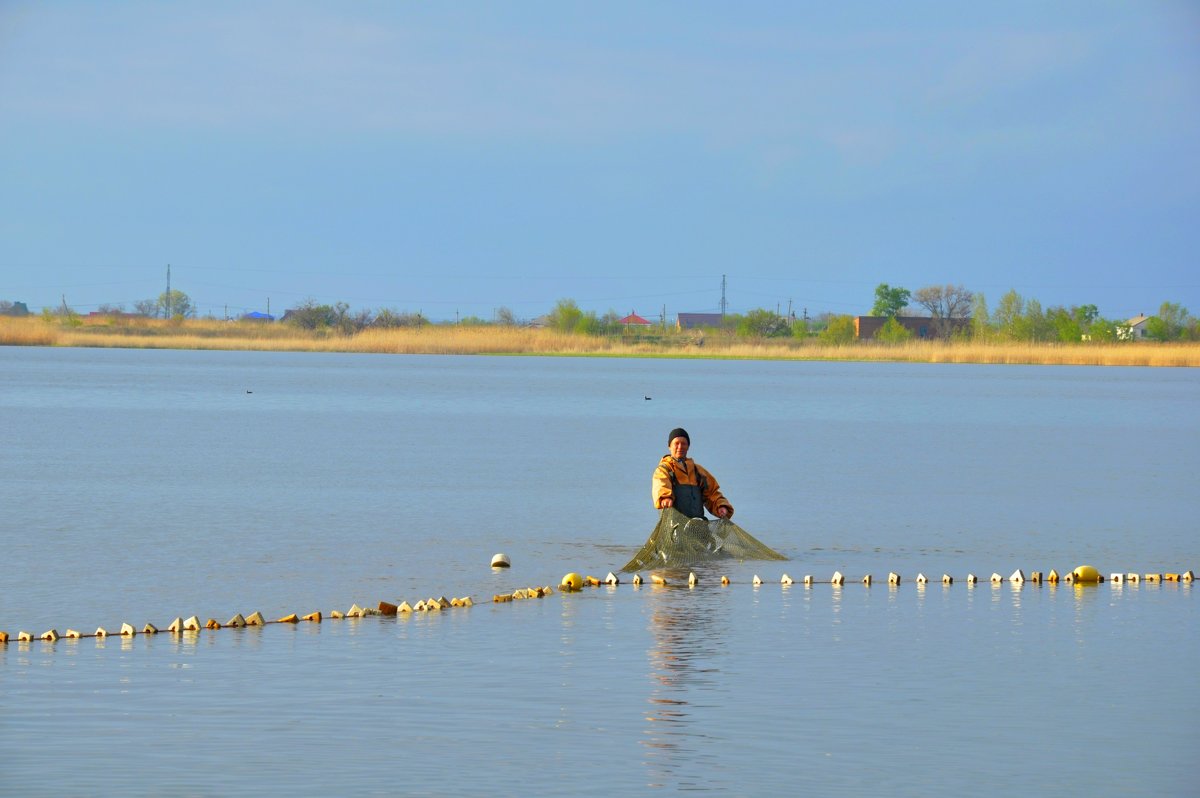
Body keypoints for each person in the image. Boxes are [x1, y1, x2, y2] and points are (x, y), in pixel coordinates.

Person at [652, 427, 733, 520]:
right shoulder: (664, 469)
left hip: (698, 525)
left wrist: (721, 506)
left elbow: (712, 493)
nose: (680, 447)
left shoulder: (698, 471)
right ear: (669, 446)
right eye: (676, 443)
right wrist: (665, 498)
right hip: (675, 526)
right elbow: (661, 485)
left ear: (688, 447)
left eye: (684, 443)